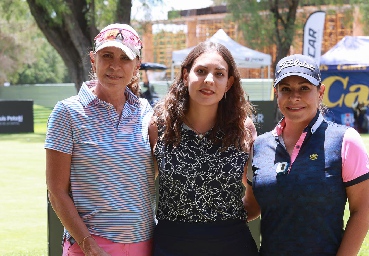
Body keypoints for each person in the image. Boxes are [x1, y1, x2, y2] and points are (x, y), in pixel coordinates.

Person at [45, 23, 156, 255]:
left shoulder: (146, 111)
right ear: (94, 60)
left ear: (136, 66)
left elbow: (152, 171)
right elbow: (56, 191)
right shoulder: (67, 112)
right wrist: (89, 246)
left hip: (145, 243)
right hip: (90, 245)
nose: (115, 65)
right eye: (107, 55)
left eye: (125, 58)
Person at [248, 54, 369, 255]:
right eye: (285, 89)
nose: (294, 97)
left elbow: (362, 210)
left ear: (320, 92)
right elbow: (252, 207)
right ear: (276, 93)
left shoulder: (345, 140)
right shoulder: (260, 145)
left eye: (304, 88)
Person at [148, 41, 258, 256]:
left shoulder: (243, 129)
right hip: (171, 245)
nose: (209, 80)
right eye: (201, 71)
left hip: (232, 245)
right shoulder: (159, 126)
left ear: (229, 83)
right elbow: (141, 188)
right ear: (185, 75)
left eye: (219, 74)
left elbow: (255, 202)